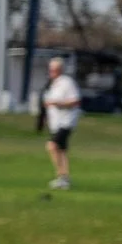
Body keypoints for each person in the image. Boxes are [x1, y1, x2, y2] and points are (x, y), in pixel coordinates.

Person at [41, 58, 81, 190]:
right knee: (61, 150)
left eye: (54, 69)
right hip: (56, 123)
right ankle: (64, 178)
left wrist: (57, 104)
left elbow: (75, 101)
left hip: (66, 121)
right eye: (50, 69)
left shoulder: (67, 82)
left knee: (52, 146)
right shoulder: (53, 84)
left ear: (60, 70)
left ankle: (61, 176)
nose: (51, 72)